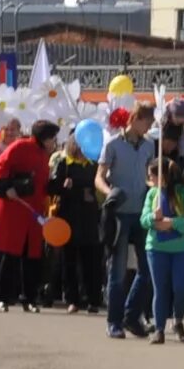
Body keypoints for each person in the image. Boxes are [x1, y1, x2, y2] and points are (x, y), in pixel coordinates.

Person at [0, 121, 56, 314]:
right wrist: (7, 188)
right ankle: (2, 298)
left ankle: (29, 299)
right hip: (15, 209)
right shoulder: (21, 146)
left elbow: (43, 184)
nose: (54, 142)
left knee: (31, 258)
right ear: (43, 138)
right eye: (51, 138)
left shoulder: (43, 155)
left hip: (32, 211)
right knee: (10, 255)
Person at [99, 110, 155, 340]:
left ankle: (131, 315)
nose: (149, 126)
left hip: (141, 212)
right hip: (120, 213)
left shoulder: (149, 146)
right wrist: (109, 192)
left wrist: (154, 187)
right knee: (118, 271)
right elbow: (99, 175)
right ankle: (114, 321)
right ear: (136, 119)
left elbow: (149, 174)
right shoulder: (112, 144)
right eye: (147, 121)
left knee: (147, 269)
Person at [139, 149, 184, 343]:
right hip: (157, 247)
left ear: (162, 175)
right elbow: (144, 220)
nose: (149, 178)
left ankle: (178, 319)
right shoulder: (152, 194)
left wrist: (172, 223)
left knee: (182, 287)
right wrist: (153, 218)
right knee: (160, 288)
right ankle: (159, 329)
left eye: (152, 174)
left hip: (183, 248)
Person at [48, 131, 103, 312]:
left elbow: (99, 189)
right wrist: (64, 187)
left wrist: (92, 195)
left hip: (88, 217)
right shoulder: (64, 164)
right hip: (68, 216)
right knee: (69, 260)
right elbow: (52, 187)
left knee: (90, 260)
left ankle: (92, 299)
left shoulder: (93, 166)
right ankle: (72, 299)